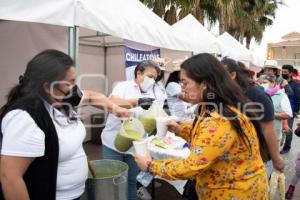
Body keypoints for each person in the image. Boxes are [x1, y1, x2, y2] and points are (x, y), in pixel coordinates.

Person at [0, 49, 130, 200]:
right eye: (70, 83)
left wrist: (115, 108)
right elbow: (10, 178)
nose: (75, 88)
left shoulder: (59, 97)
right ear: (48, 87)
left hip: (76, 193)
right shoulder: (25, 118)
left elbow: (91, 98)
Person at [135, 53, 268, 199]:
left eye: (185, 83)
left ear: (204, 84)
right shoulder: (209, 107)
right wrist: (180, 129)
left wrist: (150, 165)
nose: (182, 89)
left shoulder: (220, 119)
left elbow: (192, 166)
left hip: (235, 193)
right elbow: (205, 138)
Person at [101, 60, 160, 200]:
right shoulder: (124, 86)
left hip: (135, 146)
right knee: (113, 181)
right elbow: (113, 102)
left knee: (131, 181)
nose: (152, 81)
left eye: (155, 79)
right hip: (113, 142)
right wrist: (137, 101)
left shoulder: (151, 94)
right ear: (139, 73)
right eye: (150, 76)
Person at [221, 58, 284, 176]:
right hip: (232, 160)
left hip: (256, 159)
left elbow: (268, 130)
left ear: (233, 75)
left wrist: (276, 159)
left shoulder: (257, 95)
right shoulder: (225, 94)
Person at [259, 74, 292, 144]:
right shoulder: (258, 94)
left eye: (264, 82)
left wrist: (270, 114)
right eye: (260, 83)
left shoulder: (281, 96)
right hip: (258, 135)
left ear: (273, 82)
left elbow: (288, 114)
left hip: (274, 136)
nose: (261, 85)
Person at [280, 64, 300, 154]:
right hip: (278, 109)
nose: (283, 73)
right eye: (282, 71)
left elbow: (298, 98)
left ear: (291, 73)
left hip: (289, 111)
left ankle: (287, 147)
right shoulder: (279, 82)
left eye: (285, 72)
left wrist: (296, 111)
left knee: (288, 129)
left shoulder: (295, 85)